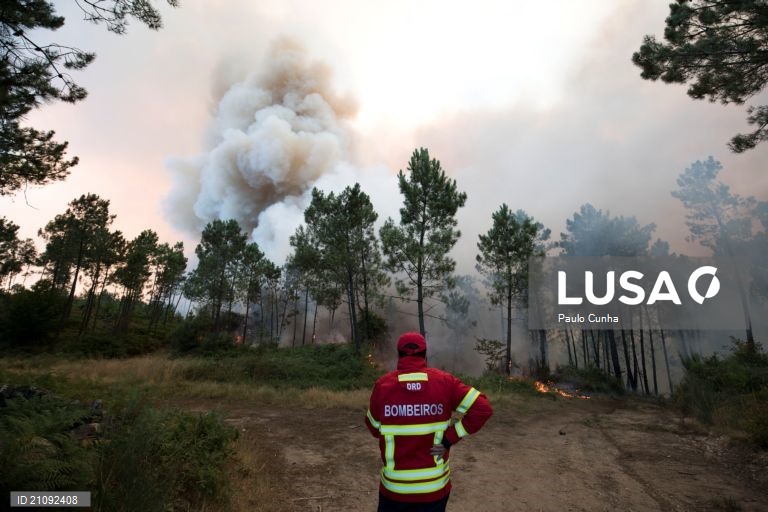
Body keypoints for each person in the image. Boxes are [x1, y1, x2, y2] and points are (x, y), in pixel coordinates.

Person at [365, 332, 493, 511]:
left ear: (399, 354)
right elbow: (483, 408)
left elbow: (374, 428)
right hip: (434, 489)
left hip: (395, 489)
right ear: (425, 354)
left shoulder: (383, 386)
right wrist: (450, 438)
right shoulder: (444, 382)